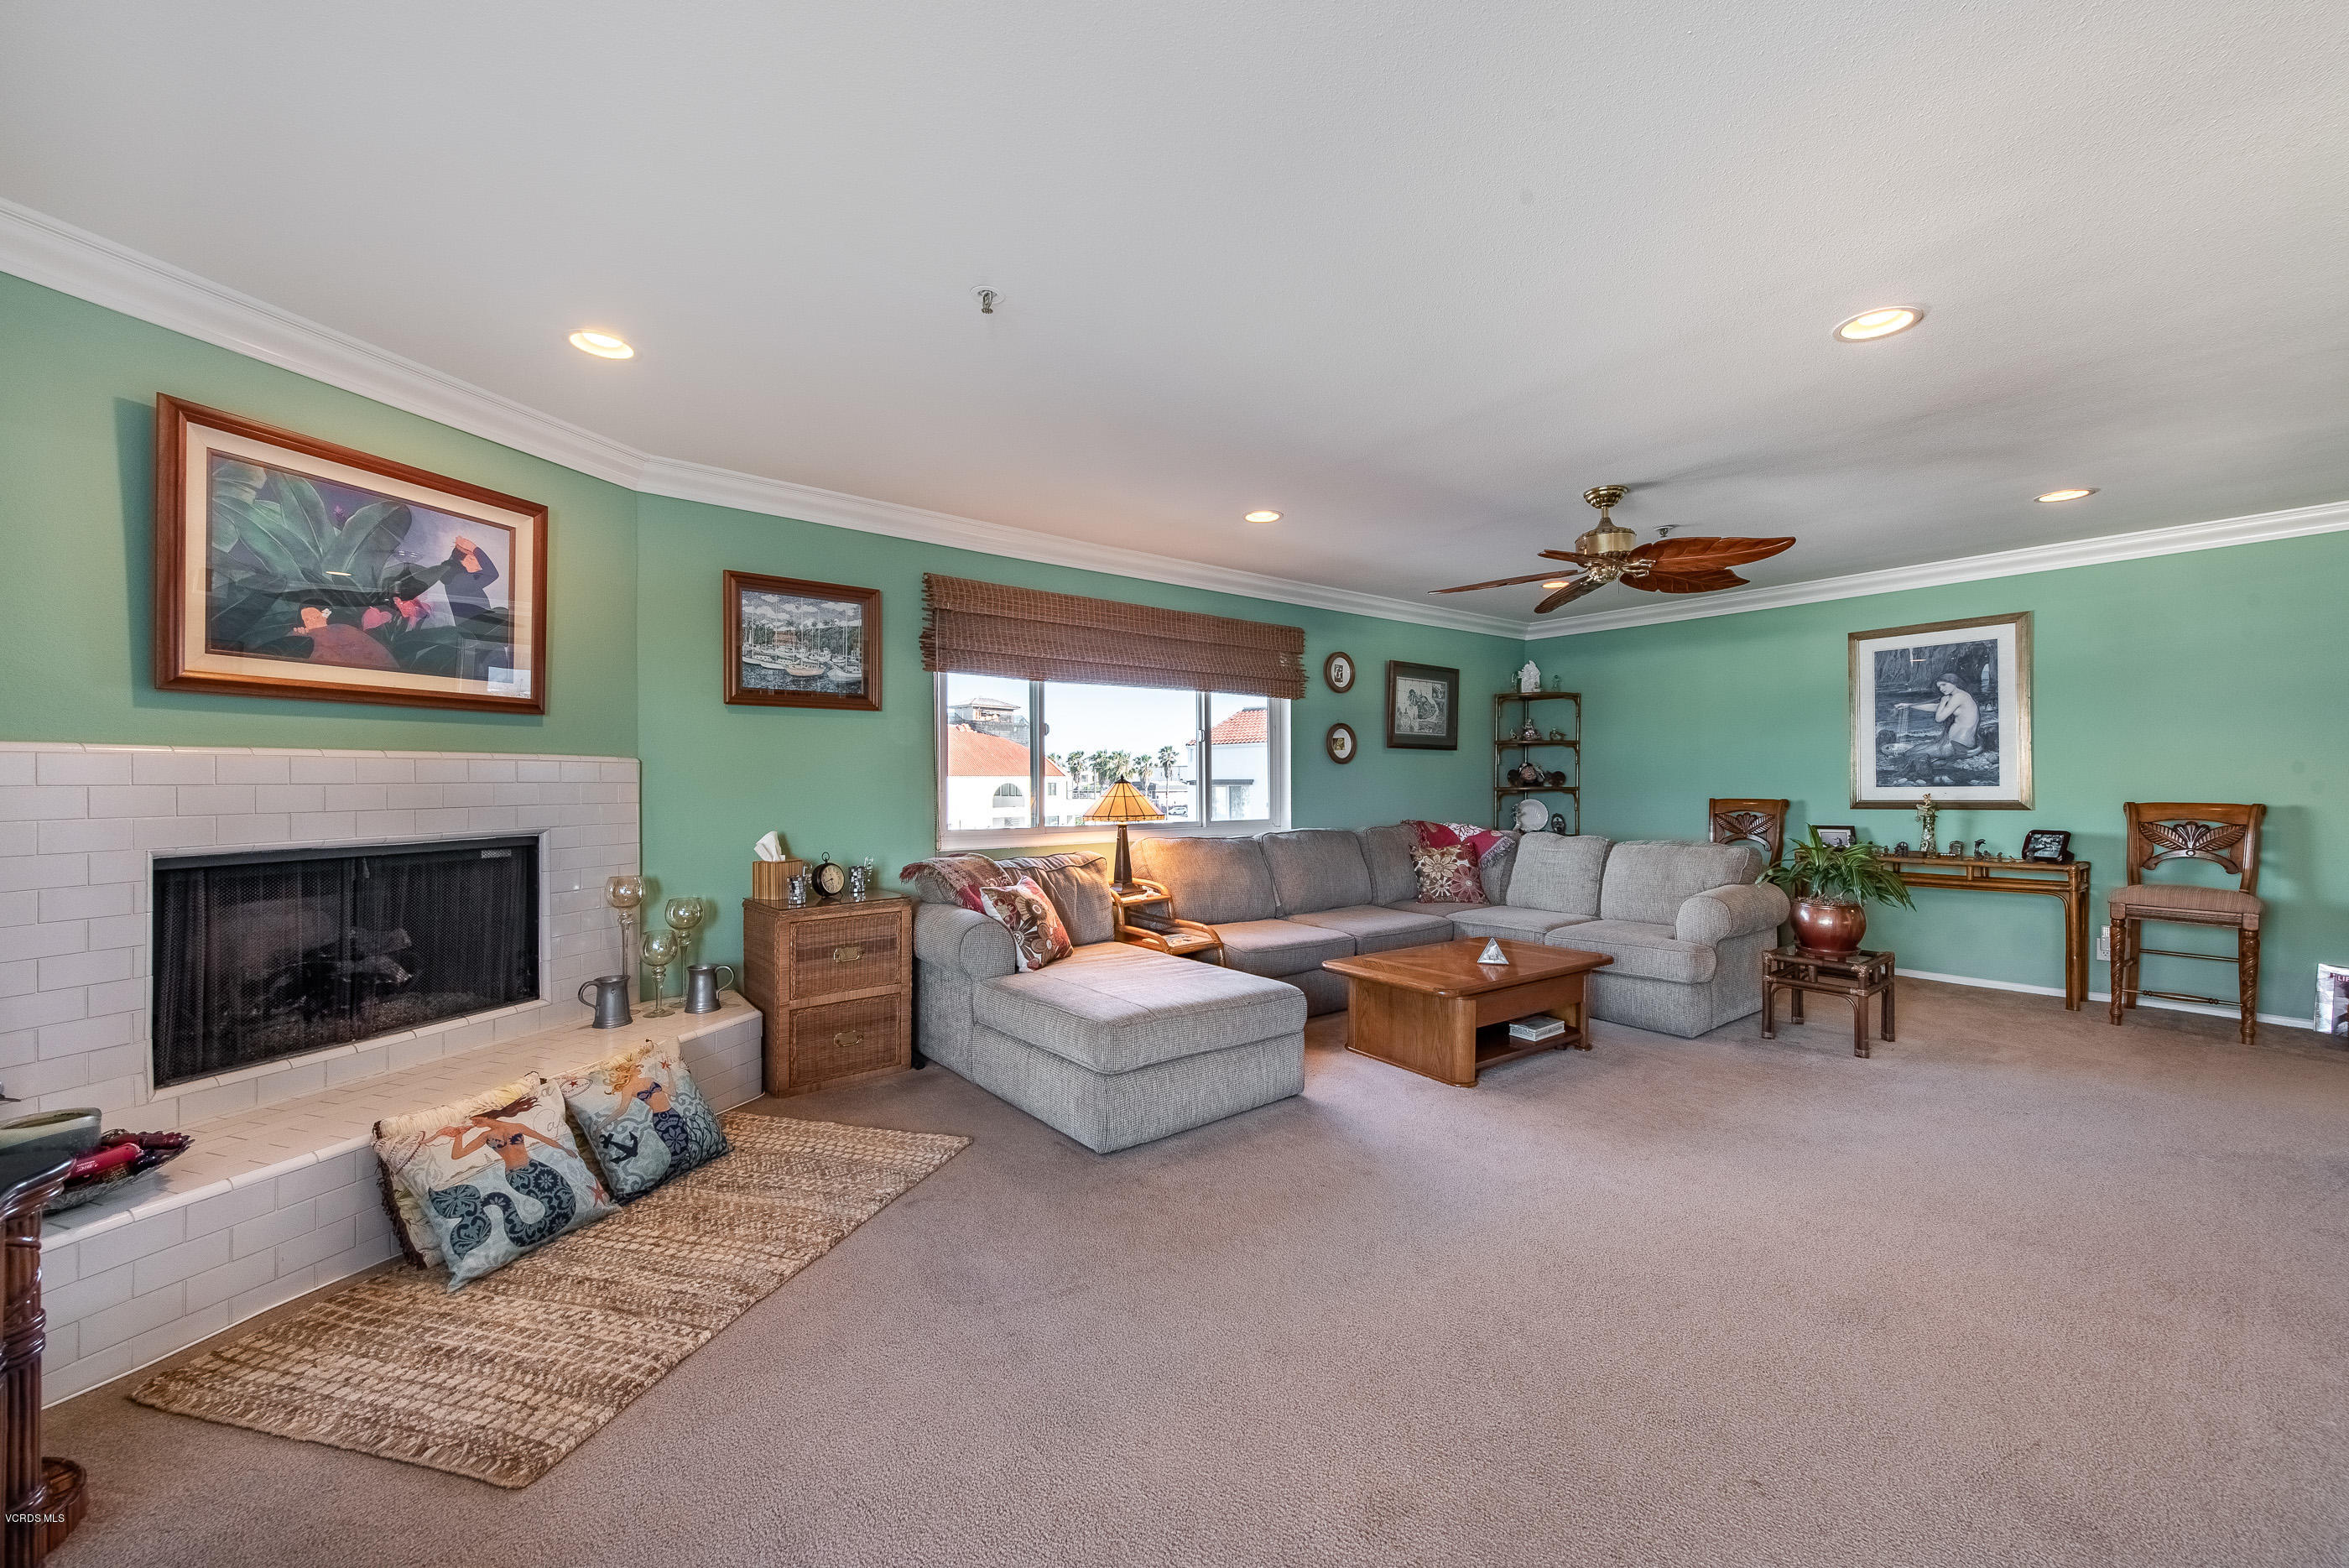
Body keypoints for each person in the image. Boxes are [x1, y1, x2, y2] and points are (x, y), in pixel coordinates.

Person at [1897, 677, 1981, 757]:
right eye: (1939, 687)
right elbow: (1935, 707)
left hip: (1959, 745)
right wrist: (1909, 705)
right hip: (1957, 742)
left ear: (1954, 683)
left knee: (1910, 753)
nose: (1941, 689)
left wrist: (1943, 702)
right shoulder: (1958, 695)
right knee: (1915, 749)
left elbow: (1939, 718)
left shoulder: (1958, 697)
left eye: (1944, 685)